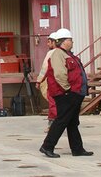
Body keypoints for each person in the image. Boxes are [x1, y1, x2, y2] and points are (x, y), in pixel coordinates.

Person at [39, 28, 93, 159]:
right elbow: (59, 74)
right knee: (61, 121)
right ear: (63, 41)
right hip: (66, 94)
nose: (72, 42)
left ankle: (77, 149)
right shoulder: (58, 54)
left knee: (72, 122)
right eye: (70, 39)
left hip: (73, 93)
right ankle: (47, 146)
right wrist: (67, 89)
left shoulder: (68, 54)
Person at [36, 36, 58, 132]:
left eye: (49, 42)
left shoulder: (51, 53)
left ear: (54, 42)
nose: (47, 44)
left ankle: (52, 125)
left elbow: (45, 68)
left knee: (53, 103)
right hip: (66, 84)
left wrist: (39, 81)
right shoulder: (67, 53)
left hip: (53, 83)